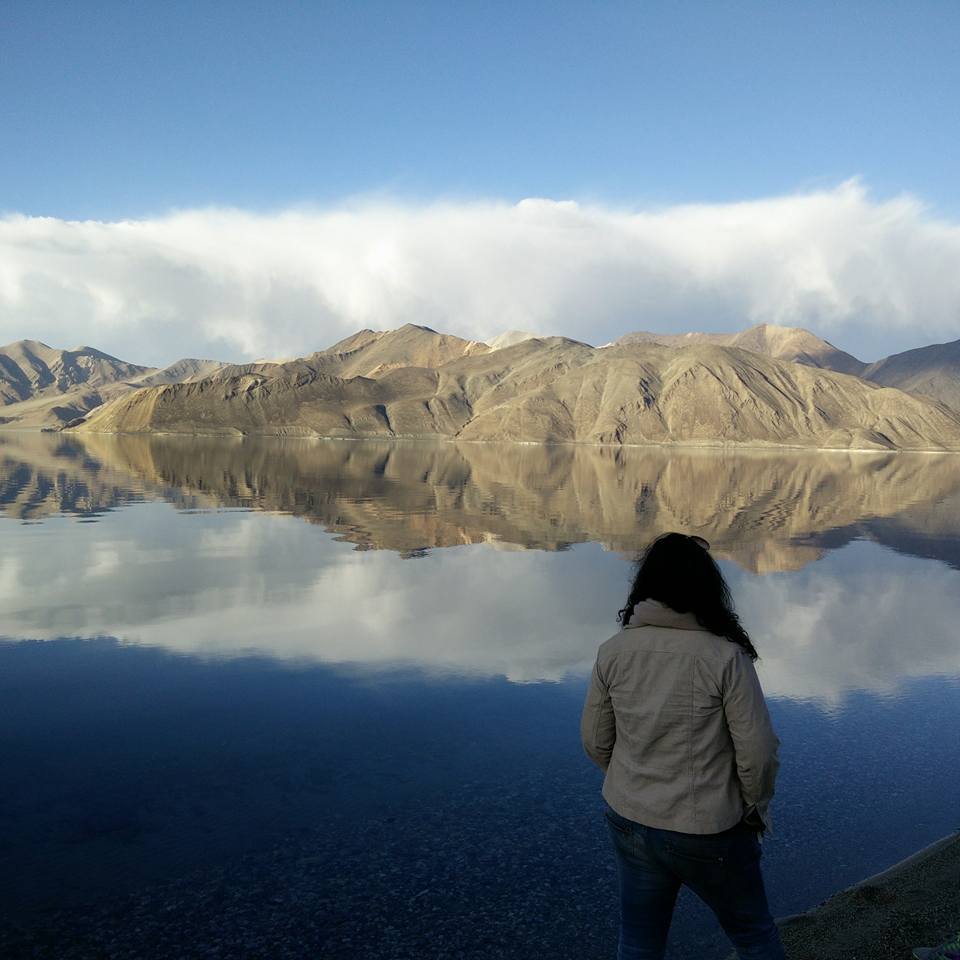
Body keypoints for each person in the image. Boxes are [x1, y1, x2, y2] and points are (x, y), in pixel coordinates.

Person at [581, 532, 784, 960]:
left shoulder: (613, 651)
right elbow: (758, 752)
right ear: (707, 589)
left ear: (645, 586)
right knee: (753, 936)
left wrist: (633, 781)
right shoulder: (725, 656)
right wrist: (752, 807)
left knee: (638, 942)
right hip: (709, 828)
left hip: (629, 817)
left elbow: (595, 742)